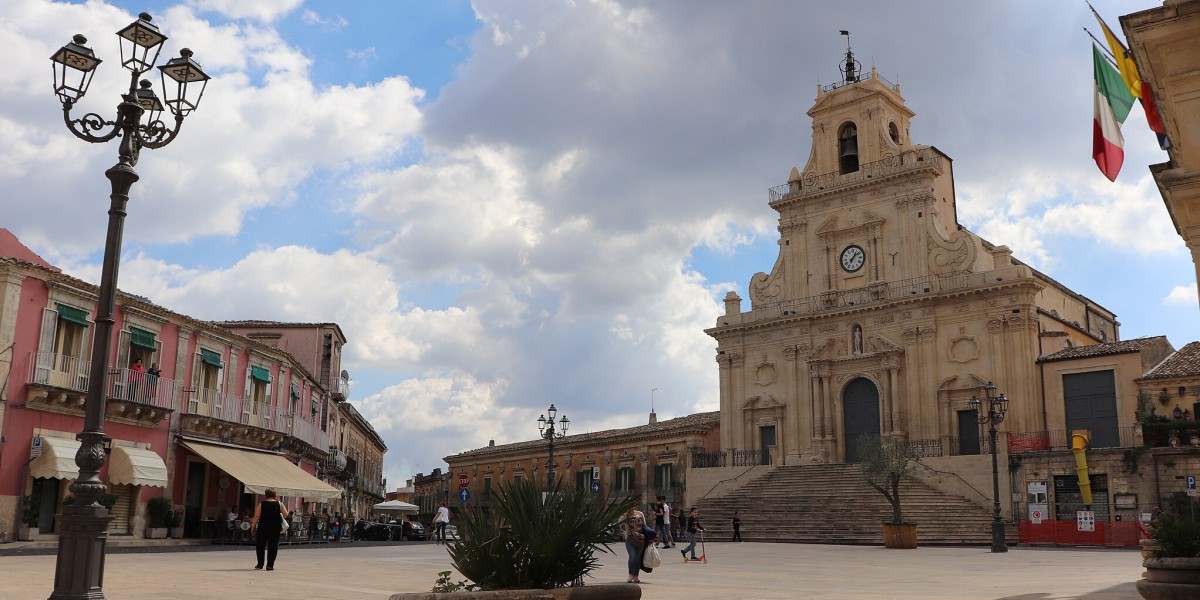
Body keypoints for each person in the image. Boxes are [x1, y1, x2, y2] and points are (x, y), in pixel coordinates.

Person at [251, 488, 289, 571]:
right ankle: (270, 565)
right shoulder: (279, 504)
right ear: (275, 495)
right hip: (275, 528)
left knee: (260, 545)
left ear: (266, 495)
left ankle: (260, 564)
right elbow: (286, 514)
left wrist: (253, 526)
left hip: (263, 527)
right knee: (273, 546)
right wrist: (279, 517)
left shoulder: (262, 504)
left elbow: (257, 516)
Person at [619, 506, 652, 584]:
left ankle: (636, 576)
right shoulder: (625, 515)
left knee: (637, 558)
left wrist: (650, 537)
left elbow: (645, 526)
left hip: (641, 539)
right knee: (632, 556)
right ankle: (630, 575)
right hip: (630, 539)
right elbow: (619, 524)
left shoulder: (639, 514)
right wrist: (624, 516)